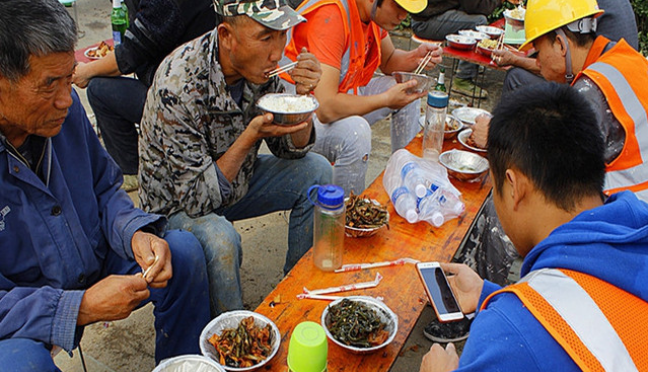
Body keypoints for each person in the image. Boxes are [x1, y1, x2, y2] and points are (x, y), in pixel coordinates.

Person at [346, 82, 648, 372]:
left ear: (514, 185)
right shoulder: (632, 235)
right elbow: (595, 320)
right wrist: (492, 294)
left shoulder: (517, 332)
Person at [0, 1, 211, 372]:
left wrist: (134, 232)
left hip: (88, 256)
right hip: (19, 305)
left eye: (67, 76)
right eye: (49, 84)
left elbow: (105, 189)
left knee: (184, 253)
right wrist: (77, 307)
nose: (66, 97)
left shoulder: (64, 110)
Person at [431, 0, 648, 343]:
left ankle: (491, 317)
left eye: (539, 49)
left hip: (627, 220)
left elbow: (545, 166)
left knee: (508, 200)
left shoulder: (594, 88)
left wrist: (498, 137)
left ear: (561, 43)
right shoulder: (621, 60)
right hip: (630, 204)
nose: (537, 59)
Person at [138, 0, 333, 316]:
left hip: (232, 184)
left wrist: (303, 101)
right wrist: (250, 136)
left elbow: (290, 149)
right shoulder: (178, 82)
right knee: (221, 239)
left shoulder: (260, 68)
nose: (277, 51)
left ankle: (297, 300)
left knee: (318, 172)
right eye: (266, 37)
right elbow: (197, 199)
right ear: (226, 35)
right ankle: (231, 340)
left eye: (282, 35)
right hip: (175, 206)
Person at [281, 0, 442, 195]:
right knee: (356, 132)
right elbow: (326, 108)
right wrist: (386, 100)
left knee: (409, 89)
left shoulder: (369, 15)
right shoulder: (332, 16)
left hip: (337, 96)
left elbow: (389, 60)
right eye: (398, 7)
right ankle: (345, 217)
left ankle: (409, 183)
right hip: (297, 118)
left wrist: (415, 57)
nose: (403, 16)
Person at [72, 0, 218, 191]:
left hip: (190, 105)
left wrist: (87, 71)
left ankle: (131, 170)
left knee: (99, 89)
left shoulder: (165, 4)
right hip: (192, 86)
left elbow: (131, 54)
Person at [489, 0, 639, 94]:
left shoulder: (591, 95)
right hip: (622, 78)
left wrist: (497, 134)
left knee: (516, 77)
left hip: (602, 85)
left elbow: (562, 62)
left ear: (560, 44)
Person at [409, 0, 510, 99]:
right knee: (478, 21)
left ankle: (469, 67)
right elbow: (476, 8)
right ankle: (463, 78)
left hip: (434, 14)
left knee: (472, 16)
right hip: (424, 22)